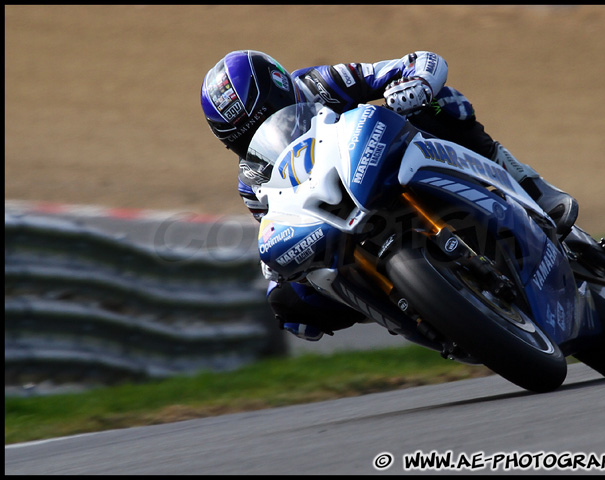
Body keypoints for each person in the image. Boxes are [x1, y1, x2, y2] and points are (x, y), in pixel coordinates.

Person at [200, 50, 578, 341]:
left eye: (267, 114)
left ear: (281, 88)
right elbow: (278, 225)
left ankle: (532, 186)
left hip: (386, 162)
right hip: (342, 225)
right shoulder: (251, 181)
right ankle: (416, 311)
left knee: (440, 103)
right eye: (244, 137)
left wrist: (415, 84)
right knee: (289, 300)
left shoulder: (321, 82)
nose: (260, 134)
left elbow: (415, 64)